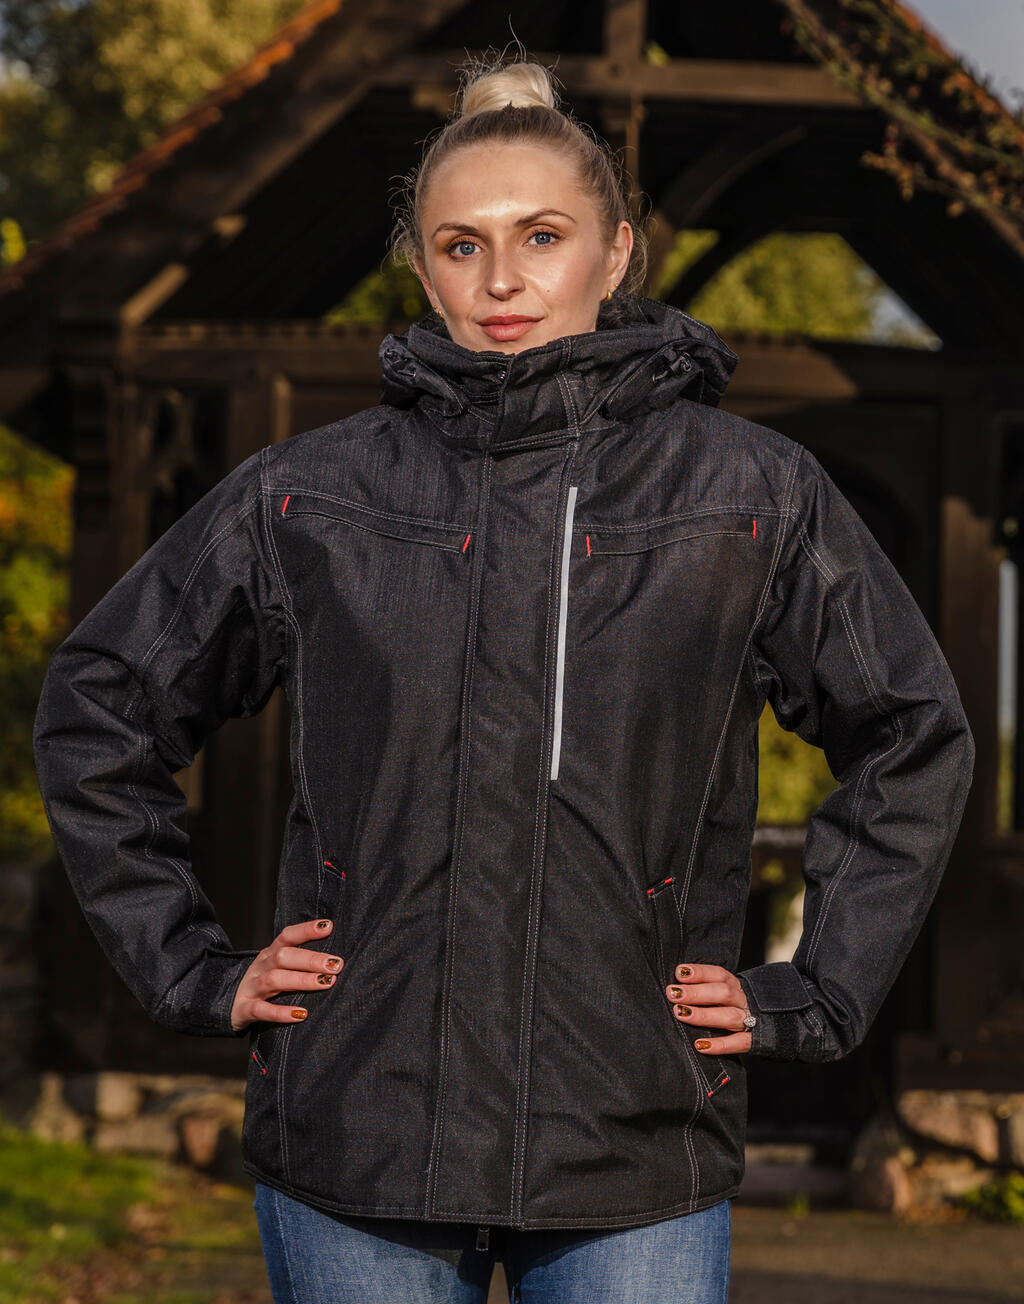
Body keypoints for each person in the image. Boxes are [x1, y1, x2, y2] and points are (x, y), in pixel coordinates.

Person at [32, 54, 974, 1304]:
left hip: (633, 1128)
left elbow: (910, 728)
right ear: (421, 271)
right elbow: (100, 703)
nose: (502, 279)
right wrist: (194, 966)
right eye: (460, 245)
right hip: (358, 1126)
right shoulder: (307, 494)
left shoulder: (750, 494)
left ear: (617, 251)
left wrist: (815, 988)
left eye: (541, 234)